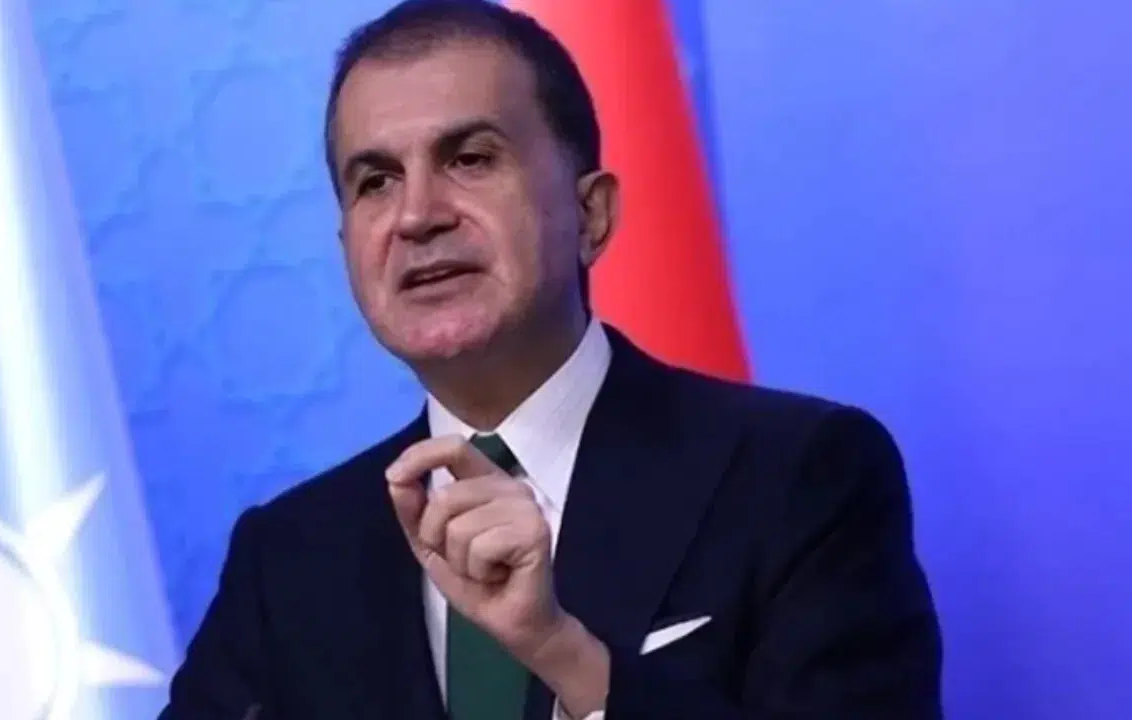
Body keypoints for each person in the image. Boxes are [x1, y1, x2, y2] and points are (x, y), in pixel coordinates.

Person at [160, 1, 943, 718]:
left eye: (470, 158)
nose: (417, 215)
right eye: (376, 181)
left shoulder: (796, 476)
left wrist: (566, 655)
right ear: (347, 248)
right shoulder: (289, 558)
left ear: (590, 213)